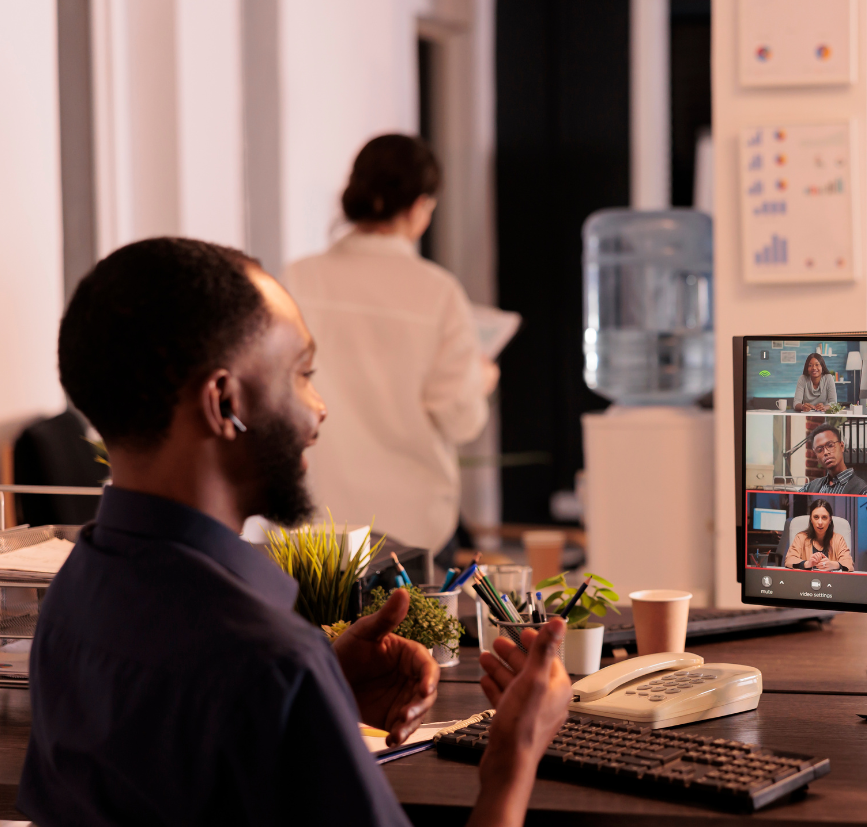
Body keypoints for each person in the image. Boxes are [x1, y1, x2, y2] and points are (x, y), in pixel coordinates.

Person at [19, 238, 570, 827]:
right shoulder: (269, 660)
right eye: (302, 374)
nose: (320, 406)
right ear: (223, 402)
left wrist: (322, 699)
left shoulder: (72, 591)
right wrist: (513, 757)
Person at [285, 134, 498, 557]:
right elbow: (458, 418)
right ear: (420, 206)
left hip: (315, 523)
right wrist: (482, 379)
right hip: (413, 528)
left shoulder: (296, 280)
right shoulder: (436, 292)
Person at [800, 424, 867, 495]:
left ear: (842, 446)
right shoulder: (811, 487)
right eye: (820, 450)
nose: (826, 452)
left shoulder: (863, 491)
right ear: (816, 456)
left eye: (830, 445)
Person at [784, 499, 854, 571]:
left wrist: (833, 565)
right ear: (811, 519)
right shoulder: (800, 537)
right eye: (816, 517)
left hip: (831, 581)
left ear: (830, 520)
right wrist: (807, 564)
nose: (820, 522)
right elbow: (789, 560)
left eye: (824, 517)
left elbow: (849, 564)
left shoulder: (838, 539)